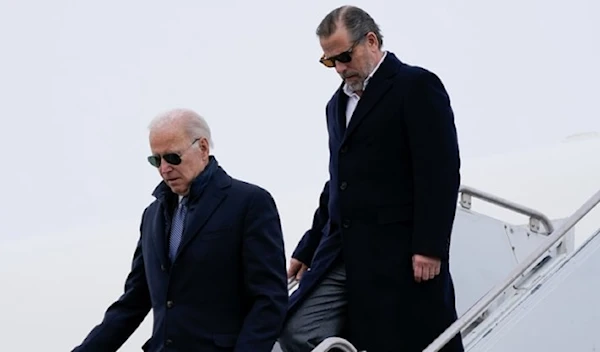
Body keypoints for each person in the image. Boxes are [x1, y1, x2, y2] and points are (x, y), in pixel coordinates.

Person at [278, 5, 464, 352]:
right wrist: (309, 245)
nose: (339, 68)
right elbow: (338, 182)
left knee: (404, 339)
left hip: (399, 250)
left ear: (371, 40)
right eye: (329, 61)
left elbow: (439, 169)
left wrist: (429, 245)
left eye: (344, 56)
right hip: (342, 251)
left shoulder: (415, 85)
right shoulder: (336, 106)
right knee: (295, 327)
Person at [72, 108, 289, 352]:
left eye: (173, 157)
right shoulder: (152, 216)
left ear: (203, 148)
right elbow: (133, 301)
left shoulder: (249, 203)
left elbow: (269, 299)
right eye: (156, 160)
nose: (164, 169)